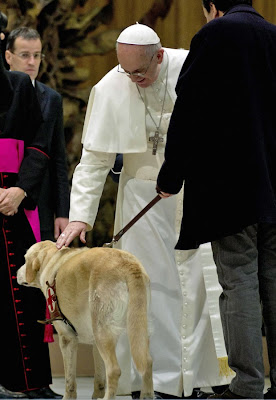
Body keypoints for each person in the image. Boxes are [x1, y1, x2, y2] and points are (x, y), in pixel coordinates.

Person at [56, 23, 232, 398]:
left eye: (141, 71)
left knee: (200, 288)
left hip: (194, 196)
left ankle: (198, 380)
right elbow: (93, 161)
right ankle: (152, 381)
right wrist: (79, 216)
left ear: (160, 55)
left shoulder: (191, 66)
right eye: (126, 71)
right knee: (147, 292)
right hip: (141, 200)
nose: (134, 79)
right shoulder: (110, 86)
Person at [156, 1, 276, 399]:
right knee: (274, 282)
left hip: (231, 187)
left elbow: (189, 108)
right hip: (275, 185)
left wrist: (171, 175)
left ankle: (246, 385)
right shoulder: (274, 36)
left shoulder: (213, 36)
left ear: (212, 7)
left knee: (238, 278)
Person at [0, 32, 62, 399]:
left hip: (18, 202)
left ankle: (32, 382)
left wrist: (21, 189)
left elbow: (42, 146)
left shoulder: (22, 86)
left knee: (25, 295)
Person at [5, 27, 70, 241]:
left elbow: (58, 159)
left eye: (37, 55)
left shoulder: (51, 99)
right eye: (25, 55)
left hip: (39, 202)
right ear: (8, 56)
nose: (32, 62)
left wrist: (62, 213)